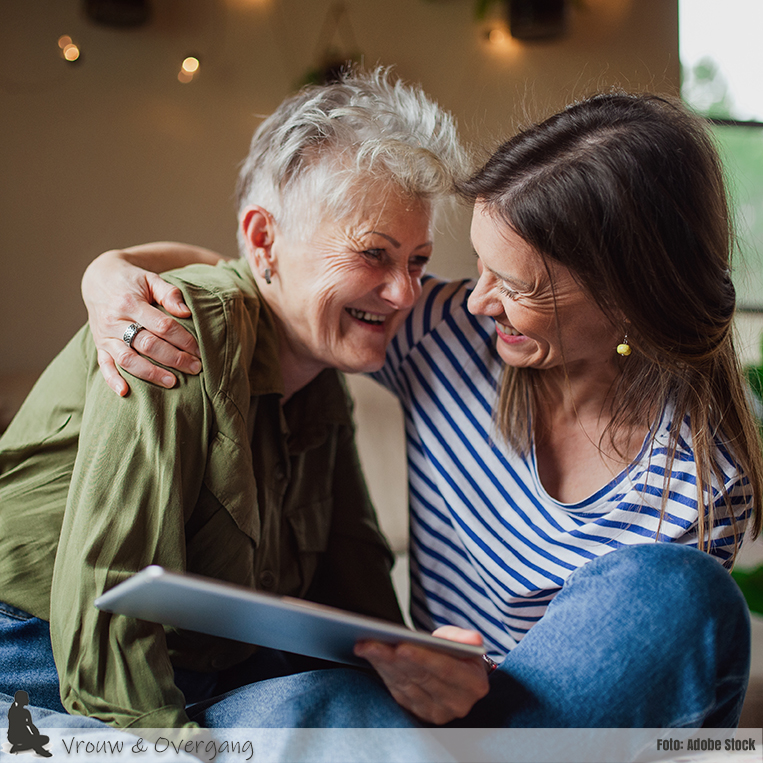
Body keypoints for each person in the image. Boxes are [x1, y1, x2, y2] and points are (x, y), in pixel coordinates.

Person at [83, 90, 760, 729]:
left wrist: (486, 700)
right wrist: (110, 271)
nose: (476, 299)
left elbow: (623, 684)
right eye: (477, 267)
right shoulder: (451, 335)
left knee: (684, 596)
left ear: (628, 299)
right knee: (292, 704)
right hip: (404, 714)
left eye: (516, 284)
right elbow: (284, 286)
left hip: (532, 729)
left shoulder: (700, 485)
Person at [0, 68, 489, 733]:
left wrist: (417, 672)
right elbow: (105, 593)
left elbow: (357, 579)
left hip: (200, 659)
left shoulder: (320, 376)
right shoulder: (180, 326)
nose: (404, 293)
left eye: (416, 260)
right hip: (38, 639)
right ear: (264, 241)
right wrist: (166, 745)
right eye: (374, 253)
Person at [7, 690, 52, 757]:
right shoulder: (20, 712)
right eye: (26, 698)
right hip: (17, 737)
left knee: (45, 739)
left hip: (15, 737)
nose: (28, 700)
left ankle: (20, 747)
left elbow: (30, 725)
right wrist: (35, 737)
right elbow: (26, 727)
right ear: (21, 700)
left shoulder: (14, 710)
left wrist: (35, 735)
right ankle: (39, 750)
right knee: (35, 741)